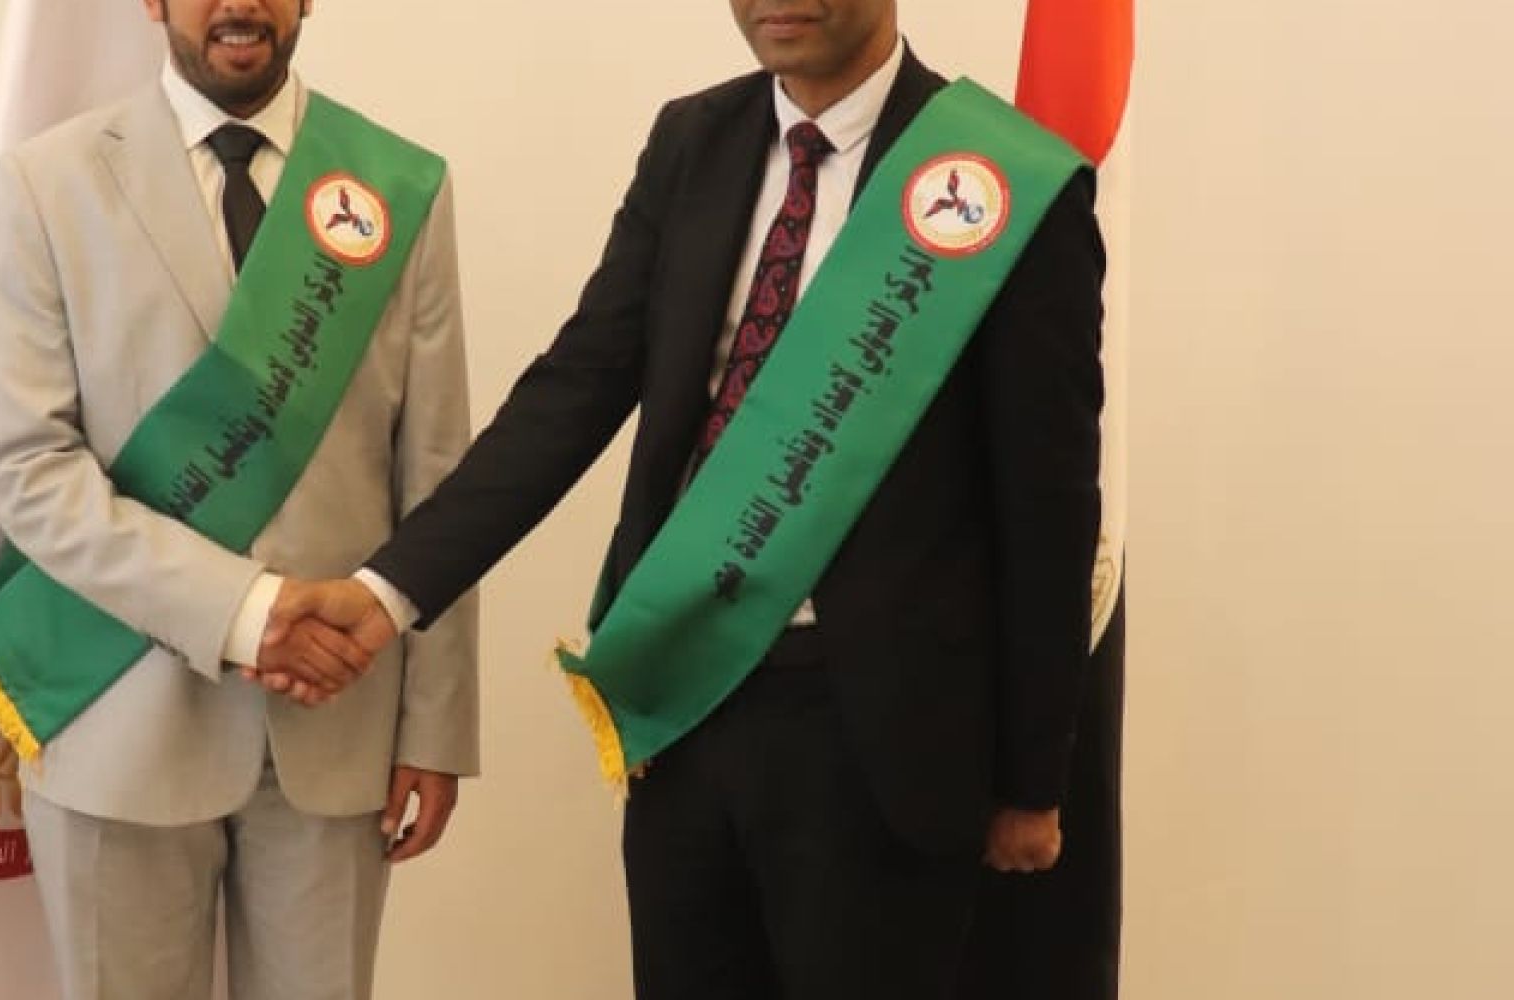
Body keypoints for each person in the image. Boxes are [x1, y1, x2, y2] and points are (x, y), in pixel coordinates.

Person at [260, 1, 1105, 997]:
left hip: (885, 740)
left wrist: (1033, 780)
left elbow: (1048, 506)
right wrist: (387, 590)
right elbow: (575, 390)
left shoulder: (1006, 182)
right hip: (683, 704)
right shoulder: (693, 142)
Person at [0, 1, 477, 997]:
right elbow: (28, 465)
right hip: (112, 719)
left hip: (338, 730)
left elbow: (437, 476)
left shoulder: (397, 185)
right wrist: (247, 612)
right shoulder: (49, 182)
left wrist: (436, 727)